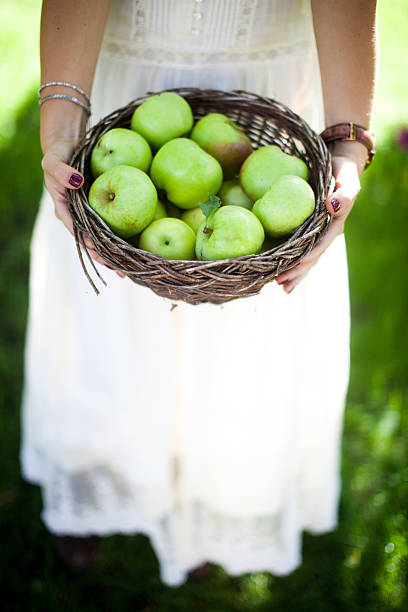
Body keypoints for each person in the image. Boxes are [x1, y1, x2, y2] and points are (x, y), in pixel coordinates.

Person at [21, 0, 377, 587]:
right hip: (120, 99)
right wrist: (60, 131)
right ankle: (101, 476)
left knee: (242, 352)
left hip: (268, 103)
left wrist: (346, 145)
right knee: (108, 332)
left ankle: (218, 498)